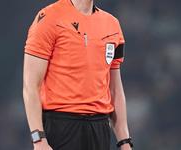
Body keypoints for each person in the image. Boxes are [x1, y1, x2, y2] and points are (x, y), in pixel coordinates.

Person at [23, 0, 133, 150]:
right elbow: (30, 85)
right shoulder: (48, 18)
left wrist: (124, 141)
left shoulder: (112, 25)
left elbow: (115, 89)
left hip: (99, 128)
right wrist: (38, 139)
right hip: (60, 126)